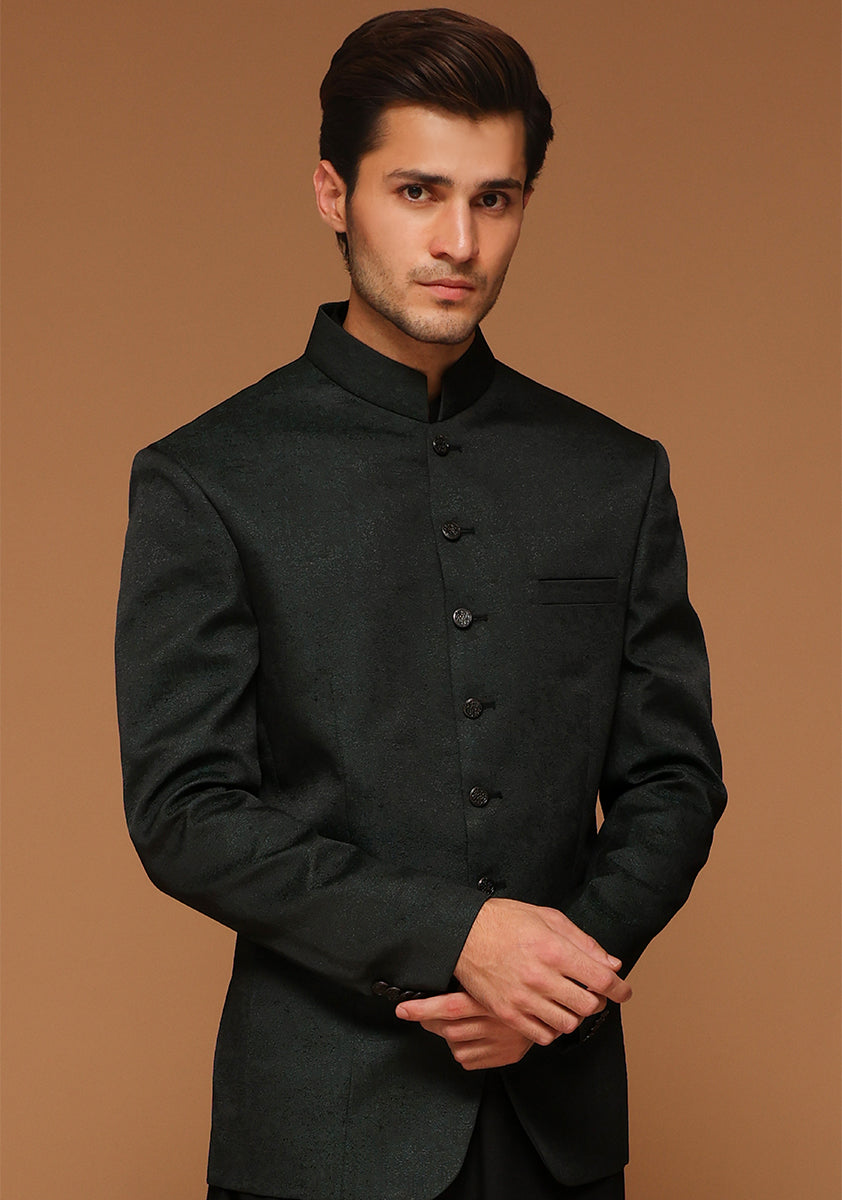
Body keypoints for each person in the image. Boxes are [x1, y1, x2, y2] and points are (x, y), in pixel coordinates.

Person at [115, 9, 726, 1199]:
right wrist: (461, 938)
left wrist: (554, 979)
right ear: (333, 195)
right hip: (317, 1137)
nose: (458, 241)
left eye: (494, 199)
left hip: (555, 1128)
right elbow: (186, 812)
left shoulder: (613, 473)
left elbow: (671, 778)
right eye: (417, 192)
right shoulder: (209, 477)